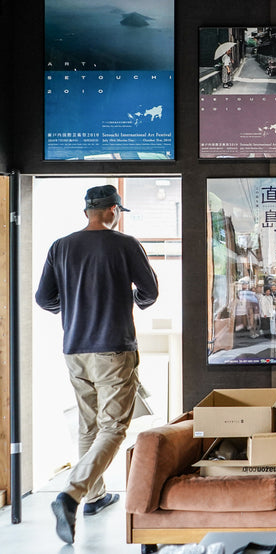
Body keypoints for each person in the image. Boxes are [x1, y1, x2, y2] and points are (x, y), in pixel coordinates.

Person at [34, 185, 159, 544]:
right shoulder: (125, 244)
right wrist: (130, 299)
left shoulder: (61, 246)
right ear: (112, 211)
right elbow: (149, 292)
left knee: (89, 424)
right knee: (114, 428)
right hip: (113, 348)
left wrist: (71, 310)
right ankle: (72, 494)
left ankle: (95, 496)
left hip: (75, 349)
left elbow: (45, 298)